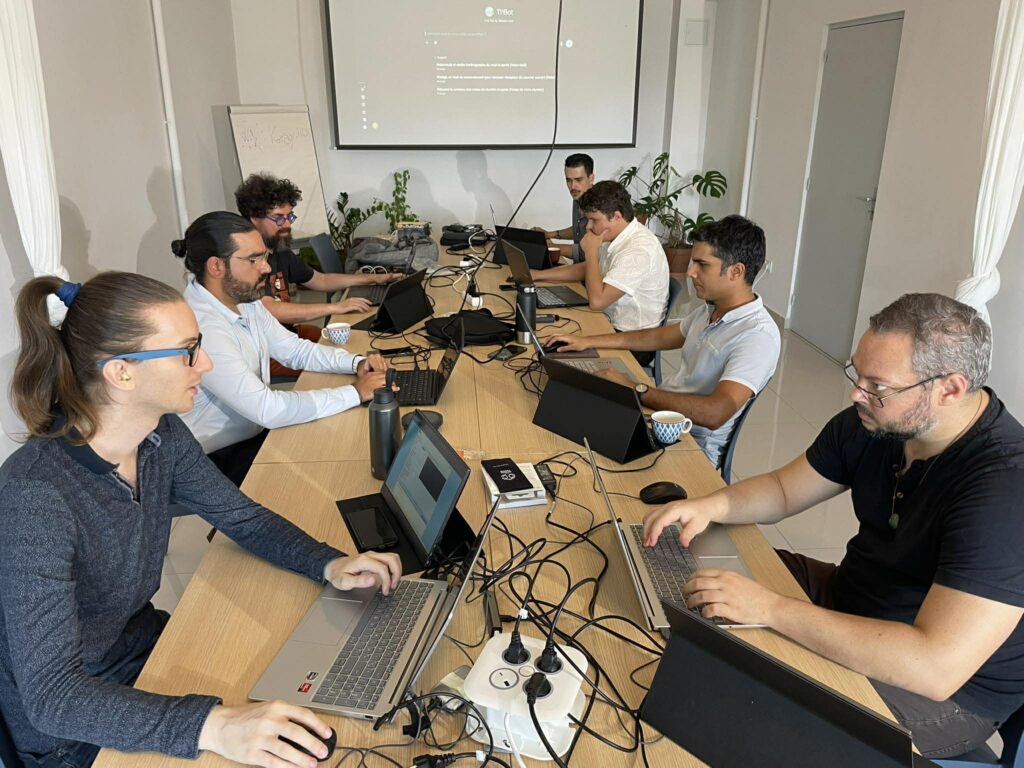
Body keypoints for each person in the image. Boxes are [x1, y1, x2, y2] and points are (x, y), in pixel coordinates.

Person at [0, 271, 402, 768]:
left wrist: (329, 563)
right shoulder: (36, 496)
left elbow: (241, 517)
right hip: (74, 730)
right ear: (121, 373)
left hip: (140, 649)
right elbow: (53, 698)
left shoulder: (160, 436)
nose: (205, 363)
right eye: (188, 352)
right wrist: (215, 726)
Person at [643, 293, 1024, 759]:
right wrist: (710, 506)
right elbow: (783, 490)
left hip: (946, 692)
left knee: (745, 694)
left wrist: (770, 609)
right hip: (855, 600)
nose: (857, 394)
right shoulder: (879, 423)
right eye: (856, 374)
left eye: (878, 386)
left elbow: (934, 667)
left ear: (949, 389)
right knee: (692, 569)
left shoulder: (1005, 489)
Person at [173, 211, 392, 485]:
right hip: (215, 458)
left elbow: (292, 349)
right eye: (254, 259)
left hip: (254, 432)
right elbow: (268, 409)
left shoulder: (243, 299)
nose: (266, 268)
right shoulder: (202, 327)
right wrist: (356, 392)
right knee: (336, 475)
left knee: (347, 445)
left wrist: (355, 363)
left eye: (264, 257)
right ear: (216, 267)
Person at [546, 215, 779, 467]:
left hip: (689, 444)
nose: (690, 272)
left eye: (702, 265)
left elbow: (715, 413)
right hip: (658, 417)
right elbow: (657, 336)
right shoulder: (712, 308)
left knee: (570, 443)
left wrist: (636, 389)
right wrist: (588, 342)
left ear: (736, 271)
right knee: (563, 408)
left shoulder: (757, 336)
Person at [235, 173, 401, 377]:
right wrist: (335, 307)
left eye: (290, 216)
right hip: (266, 352)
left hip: (289, 336)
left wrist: (374, 278)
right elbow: (270, 310)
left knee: (355, 346)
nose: (287, 224)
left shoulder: (280, 251)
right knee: (339, 368)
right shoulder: (246, 262)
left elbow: (320, 280)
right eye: (279, 218)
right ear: (254, 218)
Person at [530, 180, 669, 365]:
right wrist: (537, 276)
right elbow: (586, 268)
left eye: (594, 219)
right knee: (546, 334)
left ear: (616, 216)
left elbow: (597, 302)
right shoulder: (615, 235)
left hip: (633, 340)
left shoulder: (638, 249)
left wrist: (591, 251)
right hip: (608, 323)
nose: (588, 226)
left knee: (551, 354)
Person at [532, 153, 594, 262]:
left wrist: (550, 247)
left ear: (591, 178)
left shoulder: (599, 206)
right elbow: (578, 230)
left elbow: (584, 253)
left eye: (579, 180)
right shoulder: (578, 197)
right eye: (569, 180)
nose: (573, 186)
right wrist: (550, 234)